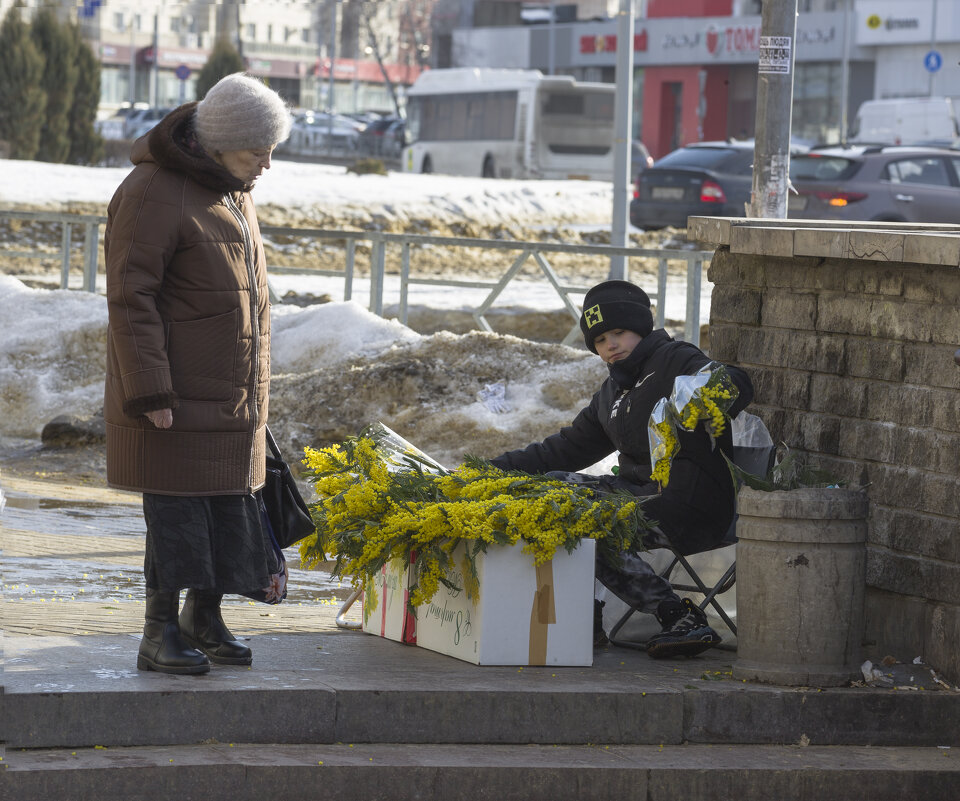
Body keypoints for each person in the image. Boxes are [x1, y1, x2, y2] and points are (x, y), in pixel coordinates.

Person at [103, 73, 292, 675]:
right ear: (220, 142)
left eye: (272, 150)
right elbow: (132, 299)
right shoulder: (153, 189)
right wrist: (150, 388)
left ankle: (202, 621)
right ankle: (158, 633)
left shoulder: (231, 189)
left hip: (230, 396)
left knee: (225, 510)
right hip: (176, 397)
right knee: (177, 516)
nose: (267, 163)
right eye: (257, 150)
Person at [489, 279, 754, 659]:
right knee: (551, 492)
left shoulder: (675, 360)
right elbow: (562, 449)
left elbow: (737, 382)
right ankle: (584, 615)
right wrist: (491, 470)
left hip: (691, 504)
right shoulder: (612, 393)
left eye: (618, 332)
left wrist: (708, 395)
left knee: (589, 521)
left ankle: (679, 616)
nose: (609, 345)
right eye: (599, 340)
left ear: (641, 328)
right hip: (640, 497)